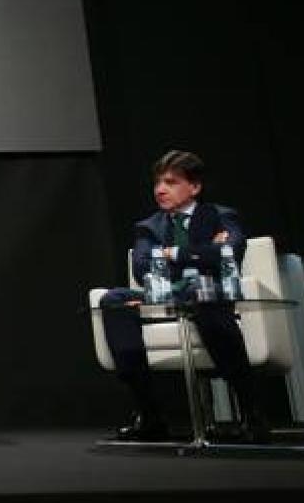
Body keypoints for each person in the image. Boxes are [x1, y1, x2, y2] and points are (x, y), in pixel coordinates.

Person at [98, 149, 267, 442]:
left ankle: (252, 415)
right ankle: (150, 414)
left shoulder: (221, 216)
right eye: (157, 183)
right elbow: (141, 267)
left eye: (171, 182)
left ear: (195, 187)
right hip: (167, 296)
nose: (160, 190)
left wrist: (170, 254)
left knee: (202, 293)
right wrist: (202, 253)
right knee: (113, 300)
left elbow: (228, 254)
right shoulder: (149, 226)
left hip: (210, 298)